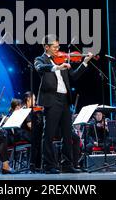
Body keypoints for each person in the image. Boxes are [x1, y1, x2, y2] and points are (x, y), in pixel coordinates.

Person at [34, 34, 93, 174]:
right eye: (54, 47)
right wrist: (56, 68)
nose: (57, 49)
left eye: (58, 46)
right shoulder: (40, 59)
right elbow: (40, 68)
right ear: (46, 47)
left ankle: (67, 164)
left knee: (67, 134)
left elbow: (74, 76)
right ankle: (48, 165)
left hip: (65, 99)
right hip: (51, 99)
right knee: (48, 133)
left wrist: (85, 62)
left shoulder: (62, 58)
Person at [22, 91, 43, 172]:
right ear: (28, 99)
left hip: (31, 133)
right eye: (34, 99)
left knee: (40, 137)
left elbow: (41, 109)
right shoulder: (24, 110)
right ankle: (34, 164)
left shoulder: (33, 109)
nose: (35, 102)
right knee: (37, 139)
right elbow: (30, 126)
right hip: (25, 133)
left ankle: (38, 164)